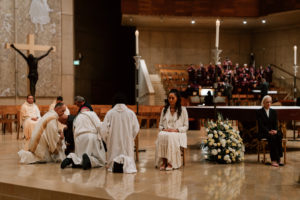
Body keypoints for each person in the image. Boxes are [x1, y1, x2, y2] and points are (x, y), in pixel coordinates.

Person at [101, 93, 140, 173]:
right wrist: (131, 137)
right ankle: (127, 165)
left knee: (112, 160)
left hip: (113, 143)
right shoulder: (131, 113)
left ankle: (114, 166)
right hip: (127, 143)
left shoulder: (110, 113)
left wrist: (108, 140)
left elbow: (104, 130)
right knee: (128, 157)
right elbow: (136, 128)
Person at [155, 89, 189, 170]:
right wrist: (164, 129)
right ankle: (164, 162)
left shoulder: (183, 110)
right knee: (161, 135)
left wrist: (176, 130)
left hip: (178, 133)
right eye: (169, 98)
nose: (170, 100)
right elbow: (160, 125)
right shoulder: (164, 110)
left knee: (171, 137)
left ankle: (171, 162)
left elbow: (186, 126)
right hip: (166, 131)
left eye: (172, 98)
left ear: (177, 98)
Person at [257, 95, 283, 167]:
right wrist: (268, 131)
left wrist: (275, 130)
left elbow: (275, 124)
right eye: (267, 102)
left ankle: (279, 158)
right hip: (263, 132)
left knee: (278, 135)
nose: (269, 104)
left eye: (270, 102)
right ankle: (274, 160)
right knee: (272, 138)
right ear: (263, 103)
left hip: (272, 131)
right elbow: (261, 125)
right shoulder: (259, 112)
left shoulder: (273, 112)